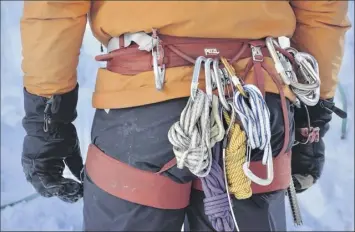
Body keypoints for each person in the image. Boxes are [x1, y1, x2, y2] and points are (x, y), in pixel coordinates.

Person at [20, 1, 350, 231]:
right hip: (253, 109)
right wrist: (311, 121)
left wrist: (47, 124)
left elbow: (54, 10)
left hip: (143, 110)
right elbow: (321, 11)